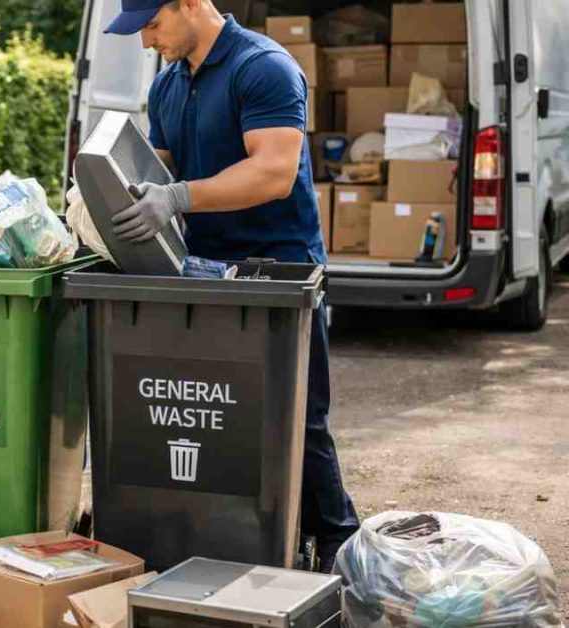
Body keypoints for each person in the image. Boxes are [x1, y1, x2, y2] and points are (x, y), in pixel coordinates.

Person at [104, 0, 360, 571]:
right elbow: (157, 172)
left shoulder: (263, 67)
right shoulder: (168, 86)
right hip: (203, 271)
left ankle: (343, 546)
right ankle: (237, 538)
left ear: (190, 3)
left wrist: (178, 197)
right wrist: (104, 205)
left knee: (297, 416)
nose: (146, 43)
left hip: (279, 271)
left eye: (151, 25)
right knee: (215, 416)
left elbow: (272, 172)